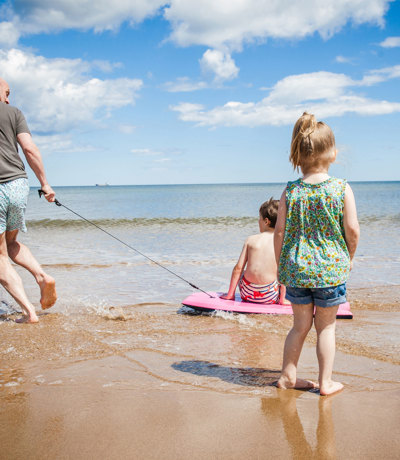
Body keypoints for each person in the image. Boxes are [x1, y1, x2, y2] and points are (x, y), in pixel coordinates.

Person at [274, 112, 360, 395]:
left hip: (296, 268)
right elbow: (352, 231)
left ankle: (288, 376)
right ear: (333, 153)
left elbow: (279, 232)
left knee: (299, 326)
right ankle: (325, 382)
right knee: (326, 328)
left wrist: (281, 266)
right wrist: (348, 258)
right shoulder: (341, 188)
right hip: (330, 270)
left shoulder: (290, 192)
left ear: (297, 156)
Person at [0, 78, 57, 323]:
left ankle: (28, 312)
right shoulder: (14, 113)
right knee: (11, 243)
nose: (9, 98)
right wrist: (45, 184)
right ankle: (41, 275)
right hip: (18, 184)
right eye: (7, 92)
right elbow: (29, 149)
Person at [221, 198, 288, 304]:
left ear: (266, 221)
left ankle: (230, 294)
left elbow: (238, 268)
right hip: (270, 295)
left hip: (247, 293)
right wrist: (282, 298)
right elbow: (284, 271)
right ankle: (283, 299)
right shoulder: (282, 242)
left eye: (259, 219)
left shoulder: (250, 239)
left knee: (241, 272)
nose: (258, 221)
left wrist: (230, 295)